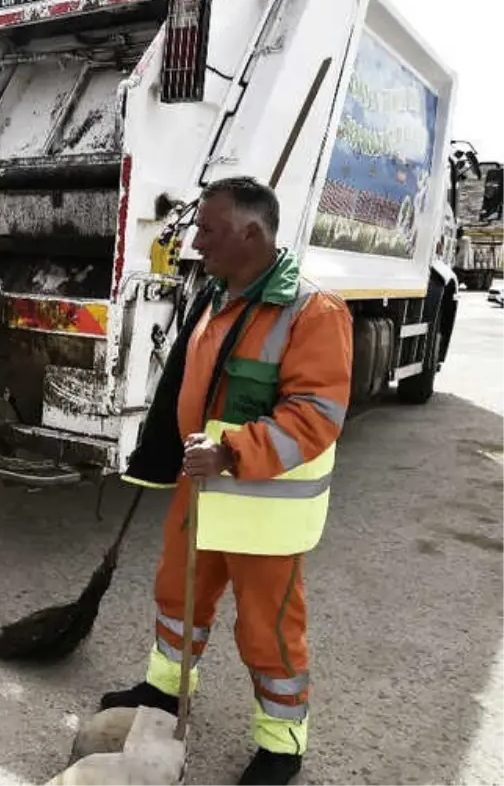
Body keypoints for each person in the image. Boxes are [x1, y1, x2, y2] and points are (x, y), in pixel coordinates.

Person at [100, 177, 353, 785]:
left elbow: (317, 415)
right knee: (179, 597)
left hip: (262, 505)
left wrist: (234, 451)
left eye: (207, 230)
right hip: (204, 485)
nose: (195, 241)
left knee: (267, 630)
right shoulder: (219, 294)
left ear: (251, 232)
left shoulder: (313, 311)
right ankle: (165, 692)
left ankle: (281, 745)